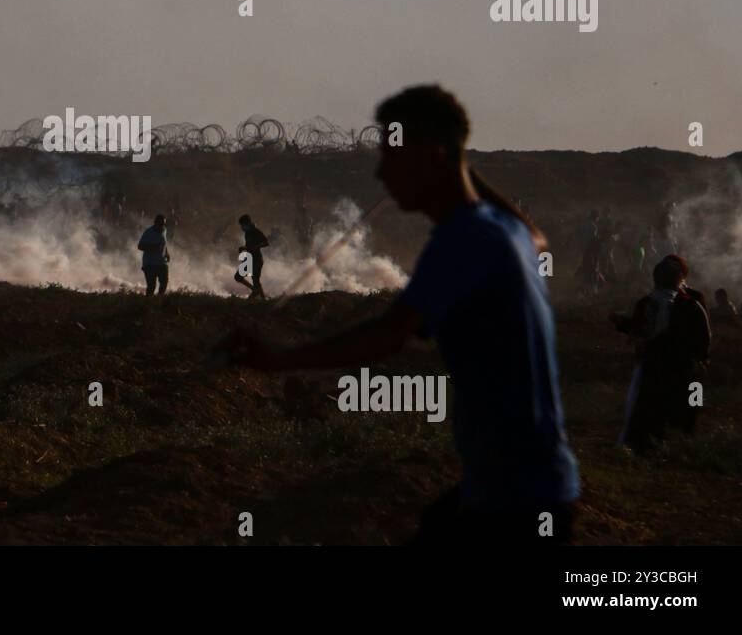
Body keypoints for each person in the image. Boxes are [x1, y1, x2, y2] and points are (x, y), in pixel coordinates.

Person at [223, 85, 578, 543]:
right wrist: (462, 166)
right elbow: (537, 235)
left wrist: (277, 360)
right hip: (527, 484)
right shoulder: (504, 232)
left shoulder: (462, 241)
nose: (382, 174)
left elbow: (387, 335)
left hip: (515, 496)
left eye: (393, 155)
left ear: (431, 155)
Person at [610, 256, 711, 452]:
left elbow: (641, 331)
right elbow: (704, 335)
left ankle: (642, 447)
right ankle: (684, 444)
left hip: (653, 366)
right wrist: (702, 360)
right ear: (680, 278)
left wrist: (622, 324)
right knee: (689, 407)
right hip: (686, 368)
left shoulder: (647, 303)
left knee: (646, 408)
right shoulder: (693, 303)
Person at [234, 214, 270, 300]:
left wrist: (256, 247)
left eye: (243, 225)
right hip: (248, 259)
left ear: (248, 223)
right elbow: (249, 246)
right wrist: (244, 248)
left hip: (257, 259)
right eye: (241, 225)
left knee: (255, 280)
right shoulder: (247, 233)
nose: (242, 227)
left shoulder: (256, 232)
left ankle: (262, 299)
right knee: (238, 277)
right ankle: (255, 291)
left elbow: (266, 243)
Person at [137, 214, 170, 296]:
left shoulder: (164, 230)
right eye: (160, 224)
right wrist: (152, 248)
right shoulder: (149, 232)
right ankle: (148, 303)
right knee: (152, 286)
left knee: (164, 282)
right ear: (155, 223)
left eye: (163, 224)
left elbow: (164, 243)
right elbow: (140, 246)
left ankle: (159, 299)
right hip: (150, 264)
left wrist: (167, 253)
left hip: (162, 262)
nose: (162, 226)